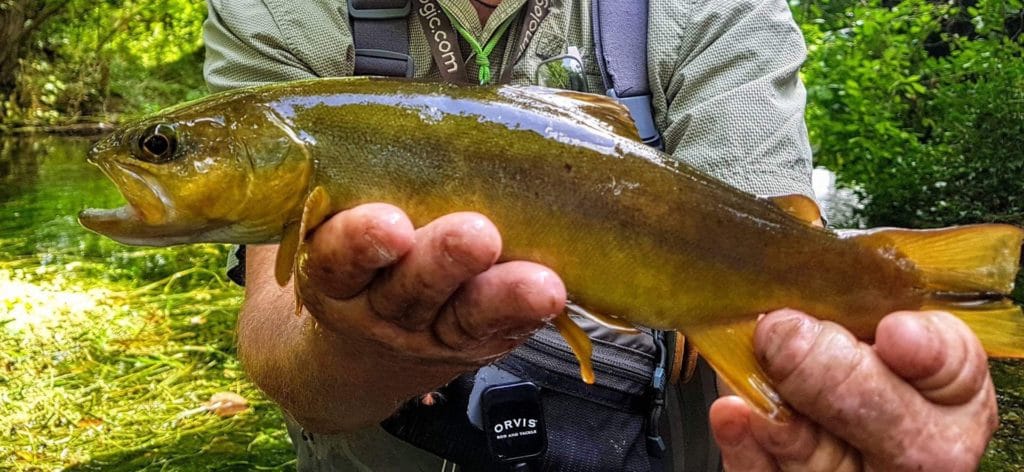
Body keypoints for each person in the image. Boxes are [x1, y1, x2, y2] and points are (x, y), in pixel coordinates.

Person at [202, 0, 1000, 470]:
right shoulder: (278, 12)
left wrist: (829, 419)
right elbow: (281, 340)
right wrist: (367, 344)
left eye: (163, 151)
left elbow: (770, 253)